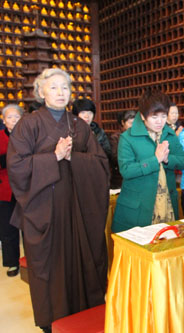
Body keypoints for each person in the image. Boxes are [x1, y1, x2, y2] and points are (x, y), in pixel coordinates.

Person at [7, 68, 109, 331]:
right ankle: (51, 321)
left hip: (78, 209)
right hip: (45, 212)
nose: (61, 92)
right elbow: (17, 167)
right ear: (41, 92)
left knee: (83, 261)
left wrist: (73, 157)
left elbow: (100, 165)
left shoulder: (79, 126)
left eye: (65, 87)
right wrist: (53, 158)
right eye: (53, 87)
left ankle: (84, 315)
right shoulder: (27, 125)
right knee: (48, 266)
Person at [111, 91, 184, 232]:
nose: (160, 121)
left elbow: (183, 162)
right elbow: (126, 170)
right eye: (154, 116)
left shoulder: (169, 134)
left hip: (167, 203)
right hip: (140, 207)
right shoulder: (128, 138)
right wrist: (155, 160)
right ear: (142, 116)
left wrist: (166, 159)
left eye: (164, 116)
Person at [0, 104, 23, 277]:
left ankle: (31, 260)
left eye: (16, 116)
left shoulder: (28, 135)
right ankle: (11, 262)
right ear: (3, 119)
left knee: (30, 227)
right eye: (9, 117)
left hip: (26, 188)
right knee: (7, 228)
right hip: (5, 188)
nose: (13, 120)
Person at [109, 110, 136, 189]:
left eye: (135, 124)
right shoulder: (115, 137)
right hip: (120, 177)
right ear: (123, 123)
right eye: (130, 123)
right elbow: (115, 157)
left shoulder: (138, 136)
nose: (133, 126)